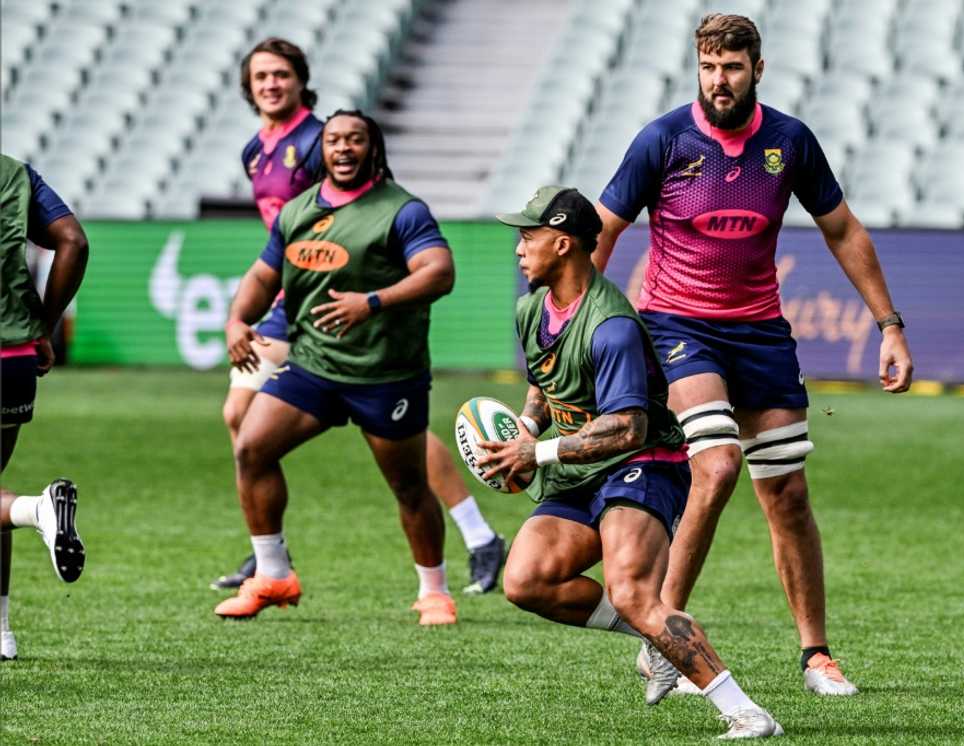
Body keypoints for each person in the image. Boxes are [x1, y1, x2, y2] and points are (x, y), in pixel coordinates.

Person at [592, 13, 914, 699]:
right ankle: (663, 635)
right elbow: (603, 229)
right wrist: (576, 324)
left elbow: (843, 229)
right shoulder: (663, 139)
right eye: (709, 67)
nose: (720, 80)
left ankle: (817, 656)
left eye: (732, 67)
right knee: (716, 464)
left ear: (757, 70)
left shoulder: (789, 141)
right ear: (697, 68)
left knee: (788, 494)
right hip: (679, 325)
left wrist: (888, 325)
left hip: (761, 332)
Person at [478, 186, 783, 739]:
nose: (519, 248)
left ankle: (746, 712)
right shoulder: (530, 309)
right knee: (525, 581)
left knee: (633, 592)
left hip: (643, 461)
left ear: (563, 242)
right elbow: (544, 384)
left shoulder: (611, 326)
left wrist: (537, 451)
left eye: (529, 235)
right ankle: (655, 635)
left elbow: (628, 428)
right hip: (576, 468)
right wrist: (524, 429)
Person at [212, 37, 504, 595]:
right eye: (260, 77)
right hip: (292, 299)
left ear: (301, 82)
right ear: (248, 88)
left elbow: (355, 216)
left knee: (391, 432)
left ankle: (474, 534)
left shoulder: (320, 141)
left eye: (281, 75)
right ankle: (268, 552)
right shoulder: (256, 149)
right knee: (243, 419)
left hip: (336, 306)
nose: (271, 85)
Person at [216, 110, 460, 625]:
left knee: (408, 486)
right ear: (320, 151)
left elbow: (440, 273)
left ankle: (434, 591)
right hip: (315, 364)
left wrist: (371, 302)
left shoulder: (402, 211)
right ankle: (273, 573)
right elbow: (263, 275)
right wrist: (238, 320)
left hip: (386, 373)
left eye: (355, 139)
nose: (344, 148)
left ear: (374, 149)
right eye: (333, 140)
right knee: (251, 447)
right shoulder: (298, 210)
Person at [0, 153, 90, 660]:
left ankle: (38, 510)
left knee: (9, 503)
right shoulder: (14, 173)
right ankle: (2, 634)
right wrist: (43, 326)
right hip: (13, 357)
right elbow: (74, 241)